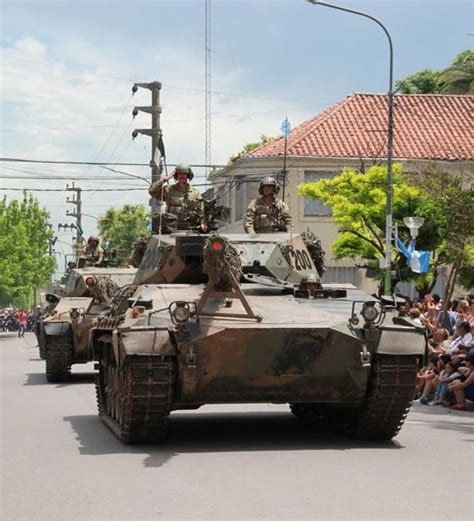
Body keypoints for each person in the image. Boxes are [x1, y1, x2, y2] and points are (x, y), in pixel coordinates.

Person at [148, 163, 207, 233]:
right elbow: (152, 191)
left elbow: (201, 211)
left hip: (190, 228)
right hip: (171, 227)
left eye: (184, 174)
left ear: (188, 176)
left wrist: (203, 223)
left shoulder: (195, 193)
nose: (182, 176)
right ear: (176, 175)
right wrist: (164, 179)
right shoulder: (169, 190)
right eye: (179, 174)